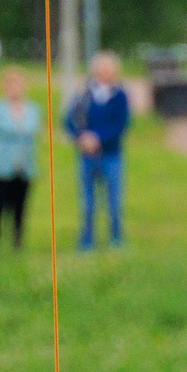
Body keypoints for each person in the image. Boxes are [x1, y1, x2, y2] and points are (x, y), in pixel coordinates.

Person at [66, 50, 130, 250]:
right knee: (88, 202)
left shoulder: (120, 96)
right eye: (101, 69)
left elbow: (121, 124)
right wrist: (81, 137)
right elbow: (70, 120)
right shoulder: (83, 93)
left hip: (111, 155)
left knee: (114, 202)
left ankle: (116, 239)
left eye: (108, 70)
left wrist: (98, 138)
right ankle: (87, 240)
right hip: (87, 156)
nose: (104, 73)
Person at [0, 67, 40, 249]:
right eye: (11, 85)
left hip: (24, 166)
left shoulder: (33, 110)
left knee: (20, 206)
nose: (15, 89)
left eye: (19, 85)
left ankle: (17, 243)